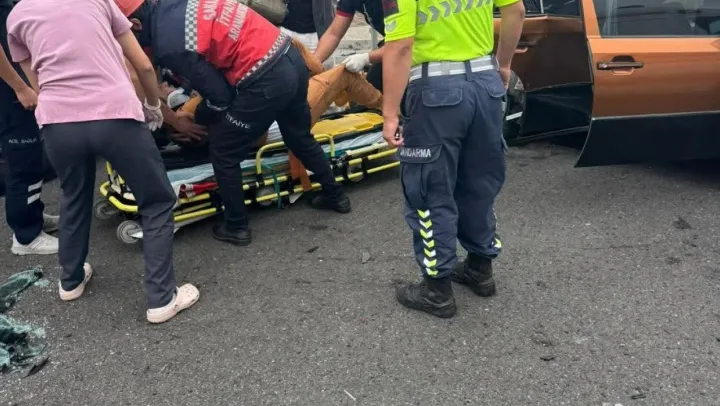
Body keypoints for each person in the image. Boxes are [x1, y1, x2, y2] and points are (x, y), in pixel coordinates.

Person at [6, 0, 200, 323]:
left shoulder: (17, 17)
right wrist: (153, 106)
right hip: (115, 114)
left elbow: (37, 82)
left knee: (73, 194)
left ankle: (70, 281)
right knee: (156, 201)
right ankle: (162, 298)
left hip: (58, 123)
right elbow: (143, 66)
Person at [117, 0, 352, 248]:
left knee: (224, 150)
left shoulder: (169, 45)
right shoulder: (174, 5)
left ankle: (237, 226)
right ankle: (335, 195)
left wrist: (198, 120)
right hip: (290, 57)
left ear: (136, 25)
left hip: (266, 78)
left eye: (122, 34)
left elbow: (220, 98)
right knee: (299, 137)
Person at [382, 0, 525, 318]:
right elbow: (516, 10)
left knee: (429, 190)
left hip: (436, 93)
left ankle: (437, 290)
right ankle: (479, 267)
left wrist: (389, 113)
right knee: (479, 182)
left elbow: (401, 46)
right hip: (485, 86)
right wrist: (503, 64)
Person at [0, 0, 59, 256]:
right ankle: (26, 236)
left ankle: (33, 216)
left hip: (17, 86)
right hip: (10, 92)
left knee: (32, 158)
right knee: (23, 162)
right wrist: (20, 87)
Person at [313, 0, 386, 92]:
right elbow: (334, 34)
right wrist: (312, 64)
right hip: (392, 43)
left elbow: (400, 45)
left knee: (388, 91)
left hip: (401, 46)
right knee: (371, 88)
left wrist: (366, 58)